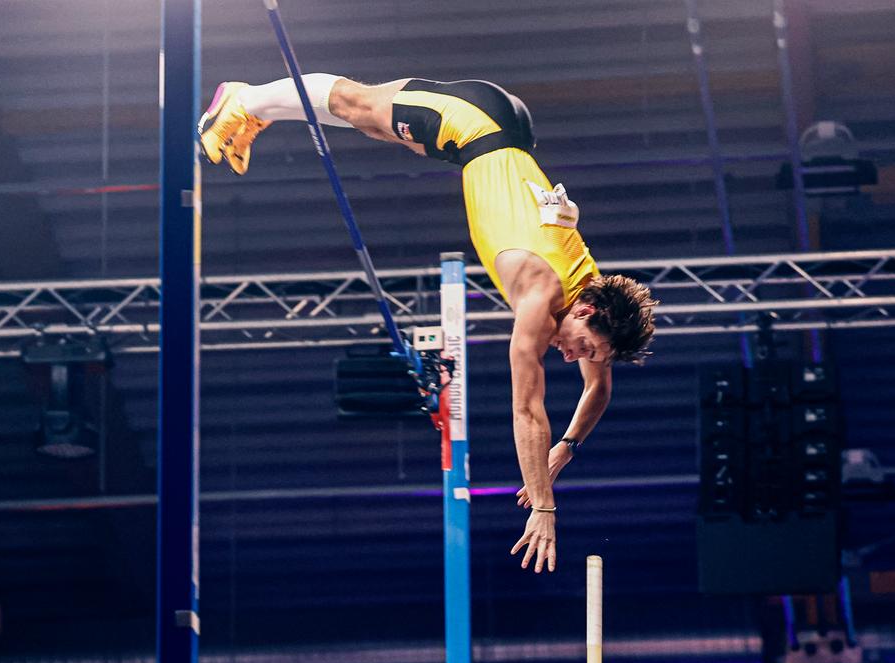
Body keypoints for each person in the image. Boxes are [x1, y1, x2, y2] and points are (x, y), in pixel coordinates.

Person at [199, 76, 657, 574]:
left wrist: (565, 448)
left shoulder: (591, 290)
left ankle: (260, 112)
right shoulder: (539, 295)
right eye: (584, 348)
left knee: (374, 127)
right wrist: (544, 508)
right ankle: (243, 99)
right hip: (474, 121)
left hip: (492, 136)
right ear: (586, 313)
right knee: (357, 105)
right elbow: (527, 411)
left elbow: (598, 389)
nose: (574, 357)